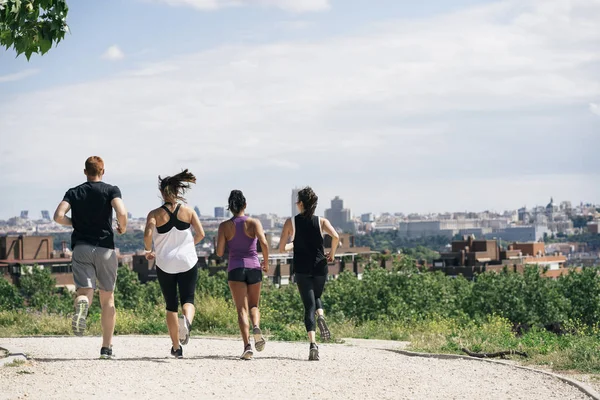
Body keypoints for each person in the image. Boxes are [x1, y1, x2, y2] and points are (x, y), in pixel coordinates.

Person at [53, 156, 128, 359]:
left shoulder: (74, 192)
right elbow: (121, 211)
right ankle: (106, 348)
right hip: (105, 248)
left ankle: (82, 302)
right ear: (103, 171)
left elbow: (58, 216)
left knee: (85, 290)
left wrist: (75, 223)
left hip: (81, 247)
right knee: (108, 298)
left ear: (85, 172)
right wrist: (122, 226)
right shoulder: (111, 190)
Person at [143, 169, 205, 359]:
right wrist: (188, 245)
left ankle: (176, 347)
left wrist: (148, 251)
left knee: (171, 305)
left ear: (162, 193)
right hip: (187, 261)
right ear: (178, 192)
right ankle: (186, 321)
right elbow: (201, 234)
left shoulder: (154, 214)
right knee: (189, 299)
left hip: (165, 263)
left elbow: (147, 235)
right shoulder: (188, 211)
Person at [278, 186, 339, 361]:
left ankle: (313, 344)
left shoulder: (291, 222)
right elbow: (336, 237)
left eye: (298, 201)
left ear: (301, 204)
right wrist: (332, 254)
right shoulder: (322, 221)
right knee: (316, 296)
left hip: (302, 268)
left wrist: (294, 244)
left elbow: (282, 248)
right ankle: (321, 315)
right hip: (320, 266)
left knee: (308, 306)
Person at [216, 190, 269, 360]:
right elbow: (264, 243)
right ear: (245, 205)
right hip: (254, 267)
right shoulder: (254, 222)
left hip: (236, 268)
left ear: (230, 208)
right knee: (254, 305)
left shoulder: (224, 226)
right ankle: (256, 326)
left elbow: (219, 252)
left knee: (241, 309)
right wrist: (266, 263)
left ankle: (247, 346)